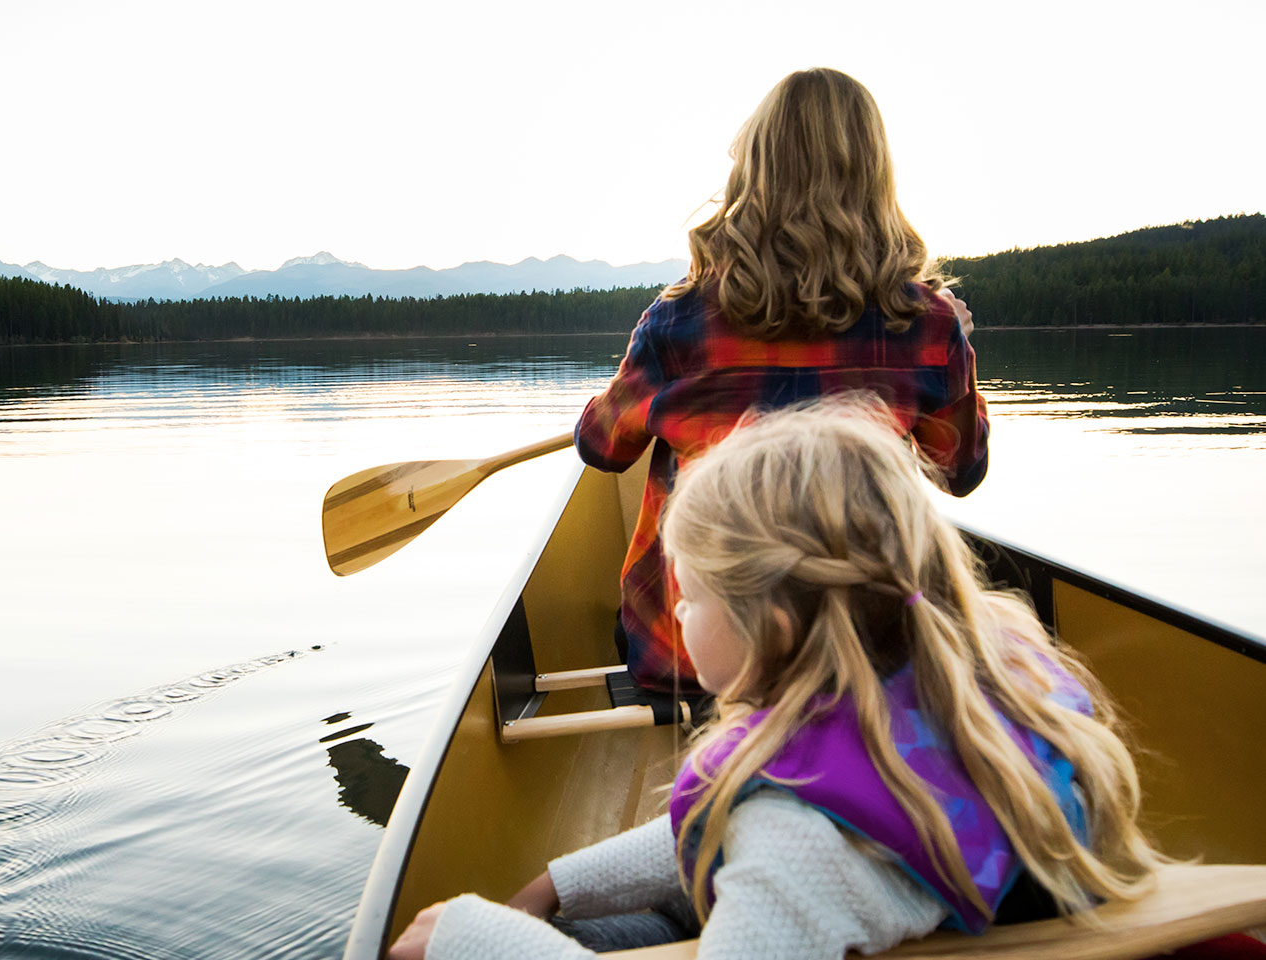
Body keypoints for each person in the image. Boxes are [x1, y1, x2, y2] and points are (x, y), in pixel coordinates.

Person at [387, 397, 1164, 960]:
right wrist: (553, 886)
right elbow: (740, 824)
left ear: (775, 632)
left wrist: (477, 939)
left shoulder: (796, 842)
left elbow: (782, 844)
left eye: (689, 597)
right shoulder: (959, 682)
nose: (677, 615)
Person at [572, 66, 988, 695]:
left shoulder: (678, 322)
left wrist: (633, 388)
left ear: (752, 174)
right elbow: (962, 471)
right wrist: (957, 349)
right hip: (863, 657)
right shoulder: (929, 326)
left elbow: (601, 448)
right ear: (874, 178)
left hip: (698, 655)